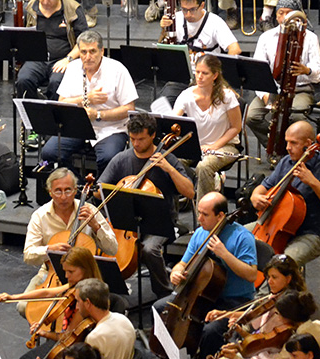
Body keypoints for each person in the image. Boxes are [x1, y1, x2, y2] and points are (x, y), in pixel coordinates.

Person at [97, 113, 194, 298]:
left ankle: (165, 295)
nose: (136, 144)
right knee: (102, 242)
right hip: (127, 222)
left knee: (150, 249)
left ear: (152, 135)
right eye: (132, 139)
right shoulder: (121, 159)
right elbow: (100, 190)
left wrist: (169, 169)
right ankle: (111, 293)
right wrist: (109, 188)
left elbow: (189, 192)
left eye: (141, 139)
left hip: (160, 222)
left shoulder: (168, 159)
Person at [154, 192, 257, 358]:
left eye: (205, 214)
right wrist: (176, 272)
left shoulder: (243, 237)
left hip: (234, 300)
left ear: (220, 216)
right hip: (201, 297)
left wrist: (224, 254)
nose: (199, 218)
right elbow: (182, 263)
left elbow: (252, 275)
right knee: (160, 308)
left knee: (211, 330)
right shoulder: (201, 233)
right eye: (198, 212)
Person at [20, 167, 118, 314]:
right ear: (50, 192)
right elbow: (28, 255)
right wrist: (49, 249)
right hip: (50, 275)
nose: (64, 197)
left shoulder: (89, 210)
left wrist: (96, 226)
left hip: (84, 278)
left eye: (68, 190)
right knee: (23, 307)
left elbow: (113, 248)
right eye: (58, 191)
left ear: (75, 191)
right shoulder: (39, 216)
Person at [248, 121, 320, 266]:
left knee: (282, 264)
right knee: (237, 239)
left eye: (293, 143)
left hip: (313, 233)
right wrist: (255, 196)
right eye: (287, 142)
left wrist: (313, 182)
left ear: (308, 143)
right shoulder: (287, 162)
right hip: (277, 226)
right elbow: (264, 186)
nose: (288, 148)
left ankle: (276, 289)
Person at [42, 30, 138, 174]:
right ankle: (78, 188)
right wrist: (86, 99)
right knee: (49, 153)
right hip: (78, 127)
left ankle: (99, 193)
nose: (88, 57)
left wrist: (98, 114)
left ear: (102, 51)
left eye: (92, 51)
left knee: (108, 157)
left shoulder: (118, 70)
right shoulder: (73, 67)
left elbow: (129, 109)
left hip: (111, 129)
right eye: (83, 52)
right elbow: (62, 102)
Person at [245, 3, 320, 149]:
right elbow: (258, 73)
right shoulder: (265, 37)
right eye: (281, 13)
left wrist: (306, 70)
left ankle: (293, 150)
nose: (285, 17)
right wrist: (265, 97)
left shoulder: (311, 38)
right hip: (272, 89)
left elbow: (319, 74)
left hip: (300, 89)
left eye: (289, 13)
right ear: (276, 15)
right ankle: (276, 146)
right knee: (251, 117)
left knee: (297, 116)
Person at [173, 54, 241, 200]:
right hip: (197, 147)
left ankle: (203, 218)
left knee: (204, 167)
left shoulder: (227, 96)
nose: (199, 77)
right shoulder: (186, 95)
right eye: (197, 72)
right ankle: (202, 183)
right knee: (170, 162)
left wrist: (214, 146)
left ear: (215, 75)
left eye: (205, 73)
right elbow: (174, 120)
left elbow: (236, 127)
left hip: (225, 145)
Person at [15, 0, 87, 100]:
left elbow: (83, 41)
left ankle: (54, 114)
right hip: (37, 59)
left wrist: (68, 59)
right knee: (24, 80)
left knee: (56, 83)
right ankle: (31, 113)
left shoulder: (73, 8)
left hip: (63, 59)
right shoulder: (30, 7)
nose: (45, 1)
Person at [216, 291, 320, 359]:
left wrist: (237, 356)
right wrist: (240, 347)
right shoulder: (319, 325)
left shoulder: (296, 342)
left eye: (279, 314)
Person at [76, 278, 136, 359]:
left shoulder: (94, 338)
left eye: (78, 301)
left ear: (87, 303)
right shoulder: (124, 320)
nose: (76, 307)